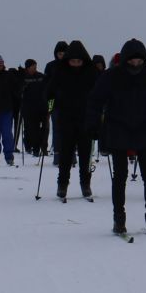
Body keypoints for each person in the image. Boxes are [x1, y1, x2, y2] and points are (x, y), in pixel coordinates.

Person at [87, 39, 146, 235]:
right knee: (120, 177)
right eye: (132, 61)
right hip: (118, 129)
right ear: (125, 60)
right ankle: (119, 219)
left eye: (139, 61)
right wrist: (93, 124)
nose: (135, 64)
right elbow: (95, 100)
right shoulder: (111, 76)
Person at [44, 40, 98, 201]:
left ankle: (85, 184)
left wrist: (98, 112)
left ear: (84, 60)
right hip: (65, 119)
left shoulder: (91, 73)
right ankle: (62, 185)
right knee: (65, 155)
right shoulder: (60, 72)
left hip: (86, 120)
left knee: (86, 155)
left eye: (78, 61)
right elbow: (49, 94)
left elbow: (99, 95)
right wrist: (50, 108)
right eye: (73, 61)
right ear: (68, 61)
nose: (75, 64)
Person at [18, 58, 49, 162]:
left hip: (42, 107)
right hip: (28, 109)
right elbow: (17, 90)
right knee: (32, 129)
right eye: (32, 67)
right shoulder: (22, 77)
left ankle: (43, 148)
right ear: (27, 67)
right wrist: (22, 88)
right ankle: (34, 148)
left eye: (35, 66)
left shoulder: (41, 77)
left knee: (44, 129)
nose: (34, 68)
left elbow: (48, 87)